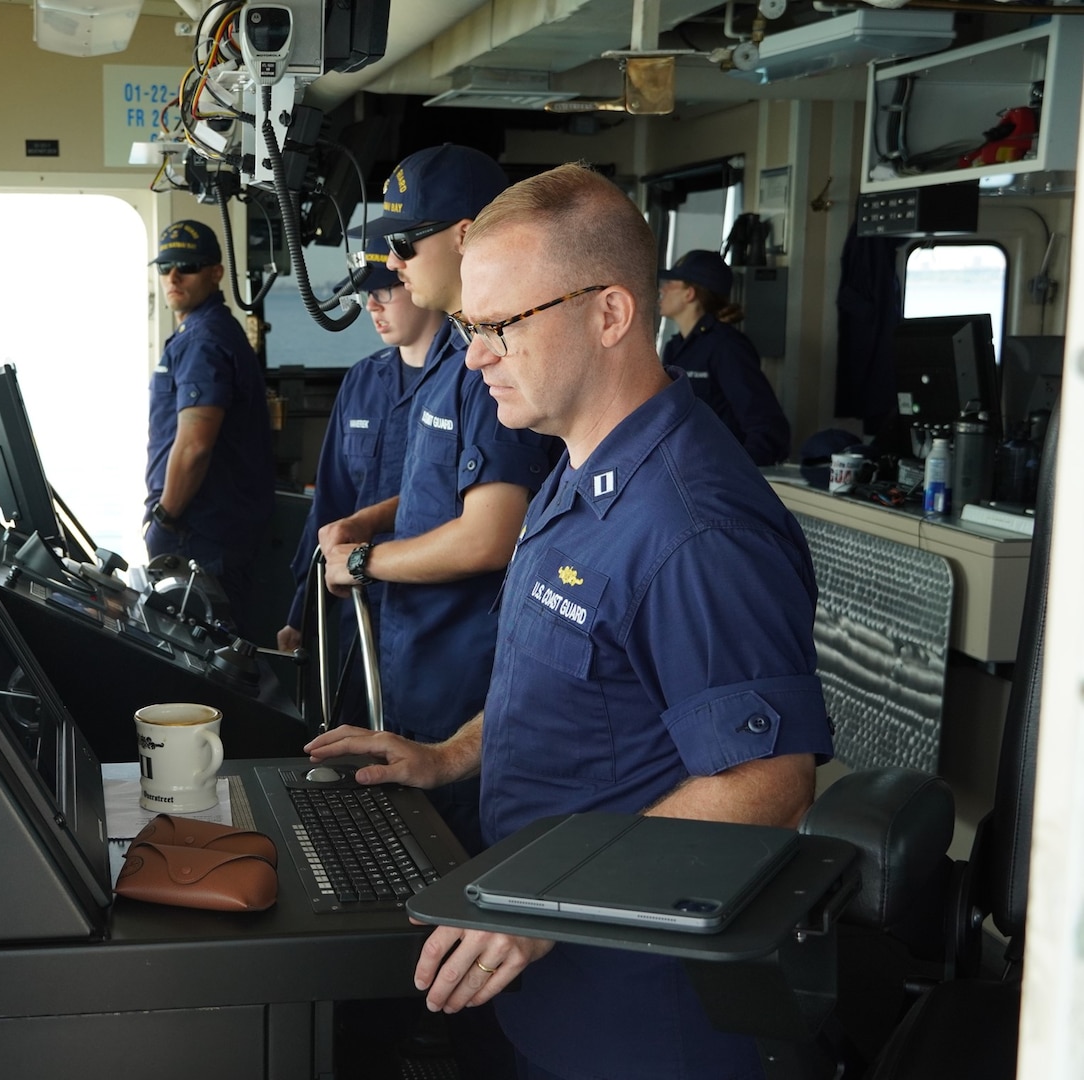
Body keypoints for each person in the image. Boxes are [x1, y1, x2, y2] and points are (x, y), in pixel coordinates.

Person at [307, 164, 834, 1080]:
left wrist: (538, 905)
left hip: (637, 1015)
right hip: (541, 969)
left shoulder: (693, 526)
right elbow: (558, 681)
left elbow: (768, 782)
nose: (474, 357)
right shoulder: (575, 468)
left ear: (610, 315)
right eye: (472, 327)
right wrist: (450, 756)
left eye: (502, 327)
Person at [316, 144, 560, 853]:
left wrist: (364, 563)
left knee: (455, 861)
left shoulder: (490, 365)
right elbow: (443, 488)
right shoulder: (454, 356)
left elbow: (489, 533)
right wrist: (375, 518)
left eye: (403, 243)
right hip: (417, 661)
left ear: (462, 235)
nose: (390, 264)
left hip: (461, 674)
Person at [275, 235, 443, 723]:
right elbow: (330, 503)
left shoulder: (473, 383)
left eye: (385, 290)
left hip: (432, 615)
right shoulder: (362, 381)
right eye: (365, 293)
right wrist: (301, 610)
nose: (371, 304)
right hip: (354, 607)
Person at [145, 220, 274, 621]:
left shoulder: (204, 340)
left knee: (202, 667)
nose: (173, 276)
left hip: (198, 538)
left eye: (187, 265)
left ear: (216, 272)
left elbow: (195, 445)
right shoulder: (206, 331)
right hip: (209, 535)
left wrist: (163, 518)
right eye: (164, 266)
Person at [659, 249, 792, 465]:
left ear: (689, 293)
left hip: (715, 476)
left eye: (671, 283)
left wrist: (734, 473)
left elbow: (767, 428)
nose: (662, 290)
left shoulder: (726, 346)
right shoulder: (675, 348)